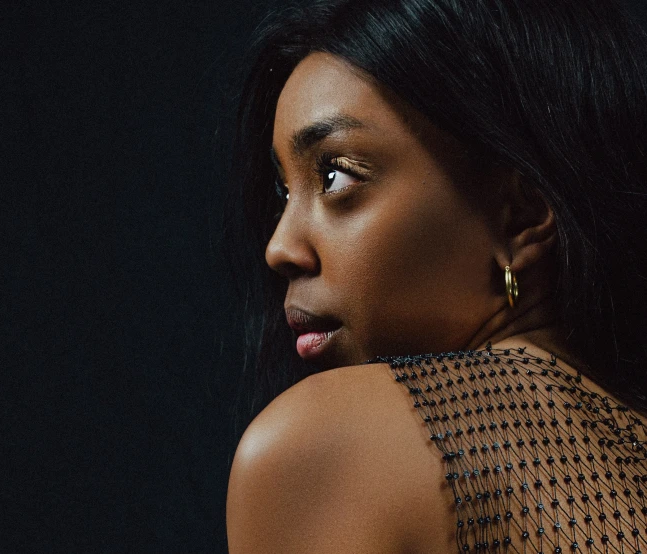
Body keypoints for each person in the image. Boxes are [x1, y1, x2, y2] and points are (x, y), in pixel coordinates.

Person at [222, 0, 647, 552]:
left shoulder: (329, 446)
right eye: (284, 191)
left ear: (519, 218)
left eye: (335, 175)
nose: (280, 248)